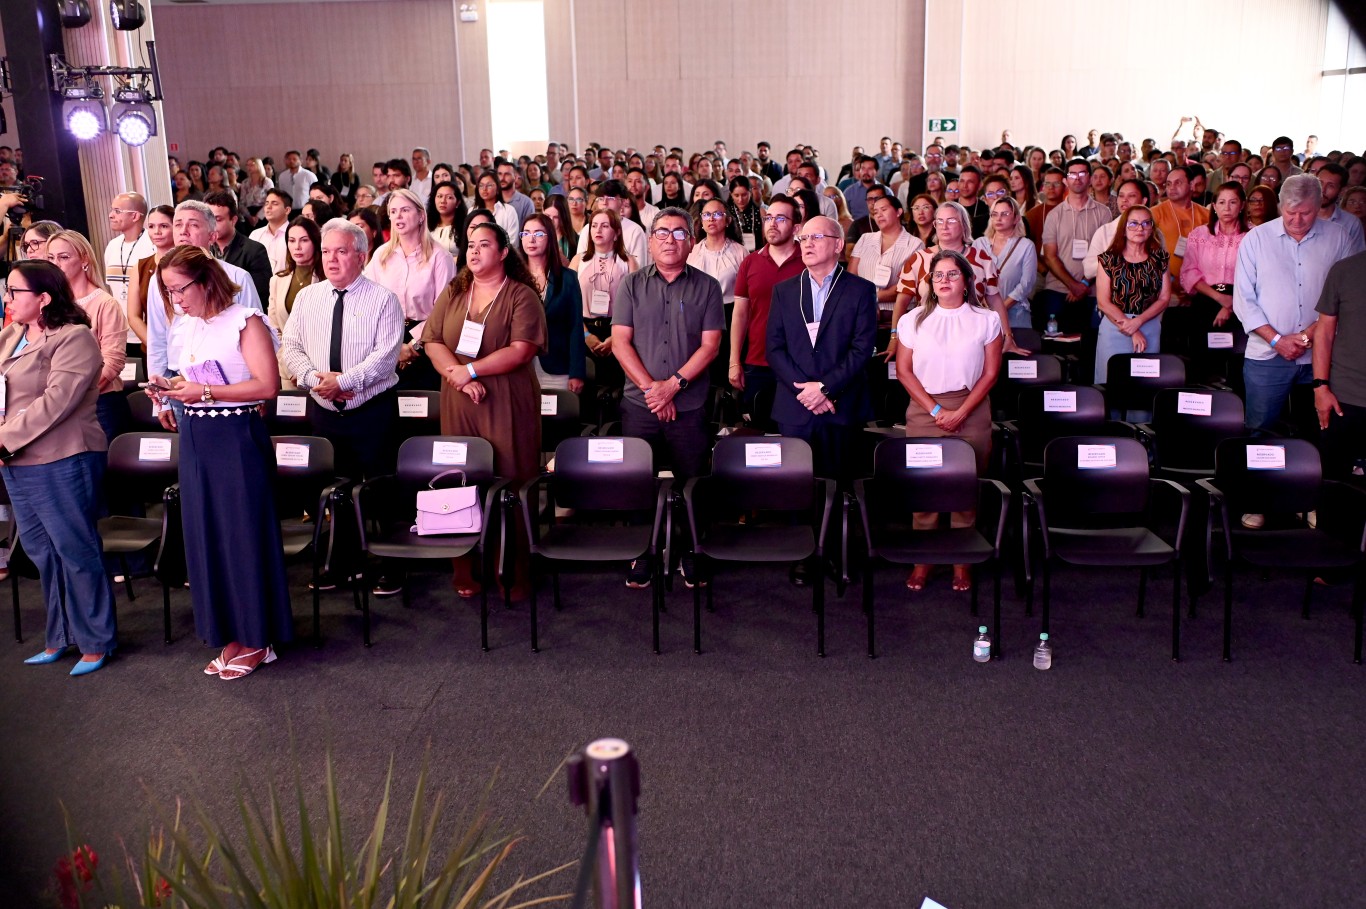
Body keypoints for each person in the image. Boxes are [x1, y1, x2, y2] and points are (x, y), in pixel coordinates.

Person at [148, 246, 290, 680]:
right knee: (207, 536)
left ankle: (257, 636)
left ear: (207, 279)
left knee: (241, 536)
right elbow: (192, 378)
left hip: (236, 439)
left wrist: (202, 394)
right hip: (195, 438)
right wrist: (168, 389)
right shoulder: (186, 324)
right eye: (169, 292)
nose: (177, 300)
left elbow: (267, 386)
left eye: (181, 289)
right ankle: (228, 630)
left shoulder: (245, 320)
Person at [1, 260, 116, 675]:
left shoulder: (74, 338)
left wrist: (3, 438)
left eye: (15, 292)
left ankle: (97, 640)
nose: (7, 298)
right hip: (17, 461)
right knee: (42, 554)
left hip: (62, 457)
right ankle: (60, 636)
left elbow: (55, 403)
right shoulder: (12, 335)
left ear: (44, 298)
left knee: (75, 550)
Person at [422, 222, 546, 598]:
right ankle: (466, 568)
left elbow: (521, 349)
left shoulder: (521, 295)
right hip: (459, 399)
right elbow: (432, 339)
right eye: (470, 245)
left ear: (504, 252)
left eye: (484, 245)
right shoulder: (456, 290)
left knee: (510, 479)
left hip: (507, 399)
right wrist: (460, 378)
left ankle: (512, 571)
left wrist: (471, 370)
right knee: (460, 479)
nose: (474, 251)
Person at [612, 208, 724, 588]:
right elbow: (620, 342)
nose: (670, 240)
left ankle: (692, 551)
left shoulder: (708, 287)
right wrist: (652, 390)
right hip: (639, 404)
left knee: (692, 481)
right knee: (638, 482)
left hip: (689, 406)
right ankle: (642, 551)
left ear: (691, 242)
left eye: (679, 233)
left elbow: (710, 347)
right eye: (662, 232)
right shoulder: (630, 284)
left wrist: (672, 386)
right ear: (650, 240)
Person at [894, 249, 1002, 593]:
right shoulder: (912, 320)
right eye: (937, 275)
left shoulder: (987, 320)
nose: (944, 280)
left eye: (952, 274)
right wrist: (938, 412)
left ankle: (961, 563)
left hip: (971, 408)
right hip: (925, 409)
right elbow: (903, 371)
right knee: (924, 487)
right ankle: (922, 561)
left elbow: (990, 373)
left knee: (964, 487)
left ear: (967, 281)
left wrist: (962, 412)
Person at [1234, 175, 1358, 446]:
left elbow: (1349, 297)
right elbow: (1243, 299)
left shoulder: (1338, 237)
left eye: (1306, 213)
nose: (1297, 220)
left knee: (1318, 432)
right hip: (1266, 356)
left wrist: (1309, 335)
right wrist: (1277, 340)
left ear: (1320, 205)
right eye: (1291, 212)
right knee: (1259, 430)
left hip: (1322, 357)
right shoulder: (1256, 239)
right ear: (1280, 206)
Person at [281, 218, 403, 483]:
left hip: (371, 413)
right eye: (326, 251)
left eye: (341, 251)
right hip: (323, 412)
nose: (331, 259)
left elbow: (385, 358)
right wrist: (318, 381)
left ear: (361, 257)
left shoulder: (384, 299)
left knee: (377, 492)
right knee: (331, 491)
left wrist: (343, 382)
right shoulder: (307, 297)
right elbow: (290, 345)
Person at [766, 215, 877, 491]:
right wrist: (807, 393)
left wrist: (825, 389)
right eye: (803, 238)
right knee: (794, 493)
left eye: (817, 237)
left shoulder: (861, 290)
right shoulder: (784, 291)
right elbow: (774, 349)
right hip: (795, 408)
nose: (807, 244)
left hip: (841, 408)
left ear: (838, 244)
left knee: (839, 491)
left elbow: (862, 349)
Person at [890, 201, 1023, 358]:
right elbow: (901, 302)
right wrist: (894, 337)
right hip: (928, 338)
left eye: (951, 221)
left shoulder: (982, 259)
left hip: (973, 339)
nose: (944, 226)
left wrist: (1008, 335)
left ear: (964, 225)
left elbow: (995, 301)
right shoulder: (918, 258)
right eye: (940, 221)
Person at [363, 188, 457, 391]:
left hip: (428, 341)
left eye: (405, 210)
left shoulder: (440, 257)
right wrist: (393, 347)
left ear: (421, 215)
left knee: (424, 411)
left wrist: (413, 346)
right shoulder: (381, 255)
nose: (398, 216)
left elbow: (443, 311)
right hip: (387, 340)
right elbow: (367, 300)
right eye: (394, 211)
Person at [45, 231, 129, 441]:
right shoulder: (47, 302)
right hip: (57, 401)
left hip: (99, 401)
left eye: (64, 257)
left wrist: (77, 396)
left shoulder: (105, 303)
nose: (56, 264)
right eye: (51, 258)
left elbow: (113, 361)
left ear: (84, 259)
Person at [731, 195, 805, 423]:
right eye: (769, 217)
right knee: (759, 435)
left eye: (781, 218)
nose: (772, 223)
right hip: (757, 360)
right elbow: (740, 314)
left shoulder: (809, 261)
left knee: (796, 433)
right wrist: (735, 360)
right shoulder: (750, 262)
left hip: (800, 363)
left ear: (796, 227)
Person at [1093, 206, 1172, 391]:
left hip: (1149, 326)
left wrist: (1139, 322)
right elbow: (1103, 302)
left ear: (1152, 228)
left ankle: (1141, 421)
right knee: (1112, 384)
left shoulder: (1160, 258)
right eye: (1133, 223)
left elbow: (1164, 298)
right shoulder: (1109, 259)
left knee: (1145, 385)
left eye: (1146, 223)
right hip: (1116, 328)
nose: (1140, 228)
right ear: (1123, 227)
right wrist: (1132, 328)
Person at [1039, 158, 1114, 347]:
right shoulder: (1054, 215)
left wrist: (1083, 283)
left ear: (1089, 178)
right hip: (1058, 289)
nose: (1077, 178)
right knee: (1054, 344)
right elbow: (1049, 256)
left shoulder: (1103, 213)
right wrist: (1072, 284)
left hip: (1093, 290)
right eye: (1072, 174)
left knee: (1092, 344)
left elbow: (1107, 254)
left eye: (1082, 173)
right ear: (1065, 180)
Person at [1181, 183, 1251, 381]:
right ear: (1214, 205)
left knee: (1237, 363)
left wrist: (1230, 305)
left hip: (1242, 304)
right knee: (1203, 365)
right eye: (1221, 202)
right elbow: (1189, 272)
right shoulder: (1200, 234)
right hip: (1206, 301)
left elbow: (1257, 277)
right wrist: (1220, 299)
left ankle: (1236, 407)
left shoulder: (1253, 236)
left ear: (1242, 205)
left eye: (1233, 202)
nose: (1226, 208)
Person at [1314, 250, 1366, 481]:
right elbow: (1324, 332)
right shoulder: (1344, 269)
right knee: (1335, 487)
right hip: (1344, 396)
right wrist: (1320, 387)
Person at [521, 213, 585, 394]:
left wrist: (577, 372)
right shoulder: (513, 278)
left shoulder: (567, 278)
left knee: (557, 419)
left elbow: (575, 327)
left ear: (550, 238)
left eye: (539, 234)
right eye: (526, 233)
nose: (531, 239)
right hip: (520, 365)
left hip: (557, 364)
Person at [577, 208, 635, 391]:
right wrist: (586, 335)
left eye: (604, 226)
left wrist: (615, 337)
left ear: (616, 232)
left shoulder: (629, 262)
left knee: (615, 388)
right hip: (584, 329)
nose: (598, 230)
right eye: (594, 226)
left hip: (618, 330)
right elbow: (570, 306)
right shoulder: (578, 260)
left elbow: (637, 307)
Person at [848, 194, 923, 325]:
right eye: (875, 212)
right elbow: (851, 276)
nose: (879, 215)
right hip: (861, 314)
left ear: (899, 212)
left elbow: (908, 285)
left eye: (884, 209)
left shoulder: (915, 244)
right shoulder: (865, 239)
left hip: (898, 319)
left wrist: (872, 298)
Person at [267, 217, 323, 388]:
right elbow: (275, 329)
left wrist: (307, 368)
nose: (297, 247)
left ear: (315, 242)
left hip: (321, 369)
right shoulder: (278, 280)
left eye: (304, 240)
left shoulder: (327, 279)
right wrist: (291, 365)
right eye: (292, 241)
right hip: (288, 369)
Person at [973, 197, 1037, 331]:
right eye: (994, 214)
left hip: (1016, 316)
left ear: (1016, 218)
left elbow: (1026, 284)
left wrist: (999, 308)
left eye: (1005, 214)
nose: (998, 218)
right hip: (982, 315)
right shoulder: (979, 244)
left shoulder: (1026, 246)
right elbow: (972, 278)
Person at [103, 192, 154, 356]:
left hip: (148, 334)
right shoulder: (112, 246)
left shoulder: (152, 244)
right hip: (119, 335)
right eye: (112, 210)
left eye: (117, 211)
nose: (111, 215)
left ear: (134, 216)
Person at [204, 190, 272, 305]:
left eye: (218, 219)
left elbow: (259, 296)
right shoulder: (202, 249)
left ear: (233, 220)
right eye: (207, 219)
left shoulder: (254, 251)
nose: (211, 224)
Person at [128, 204, 176, 348]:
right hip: (152, 349)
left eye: (164, 226)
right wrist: (156, 348)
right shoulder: (140, 267)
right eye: (151, 226)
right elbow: (133, 317)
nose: (157, 232)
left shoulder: (187, 264)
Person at [687, 199, 747, 308]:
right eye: (706, 215)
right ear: (702, 221)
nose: (711, 219)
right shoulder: (692, 252)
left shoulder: (740, 252)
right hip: (697, 311)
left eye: (717, 214)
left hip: (730, 312)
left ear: (728, 220)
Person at [248, 188, 292, 276]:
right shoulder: (255, 234)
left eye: (274, 203)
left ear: (287, 210)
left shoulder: (294, 234)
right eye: (266, 203)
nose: (268, 207)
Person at [427, 181, 466, 256]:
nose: (443, 201)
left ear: (458, 203)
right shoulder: (426, 225)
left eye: (449, 197)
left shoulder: (465, 226)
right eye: (439, 196)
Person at [276, 150, 317, 218]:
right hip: (288, 211)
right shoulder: (282, 176)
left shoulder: (309, 175)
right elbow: (281, 194)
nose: (291, 161)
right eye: (289, 159)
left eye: (294, 159)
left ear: (300, 161)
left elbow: (316, 193)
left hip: (305, 210)